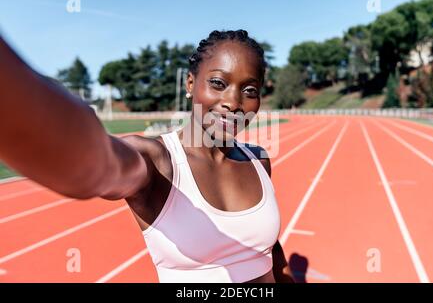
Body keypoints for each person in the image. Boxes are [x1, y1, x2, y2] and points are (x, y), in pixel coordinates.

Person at [0, 29, 294, 283]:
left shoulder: (258, 160)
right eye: (218, 83)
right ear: (190, 84)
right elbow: (94, 164)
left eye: (250, 89)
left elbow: (268, 252)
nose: (233, 102)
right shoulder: (157, 161)